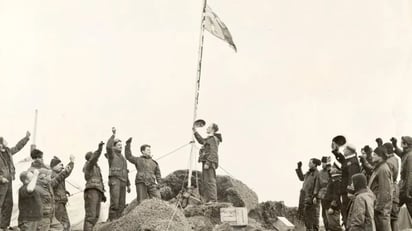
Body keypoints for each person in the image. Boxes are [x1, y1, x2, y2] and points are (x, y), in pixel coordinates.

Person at [29, 149, 72, 231]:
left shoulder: (43, 170)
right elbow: (53, 182)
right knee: (56, 225)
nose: (42, 160)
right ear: (37, 158)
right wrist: (69, 165)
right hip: (50, 207)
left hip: (53, 206)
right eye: (41, 158)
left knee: (62, 225)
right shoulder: (35, 172)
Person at [0, 131, 30, 230]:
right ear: (0, 144)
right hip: (1, 183)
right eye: (4, 141)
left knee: (8, 204)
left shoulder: (8, 151)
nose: (6, 141)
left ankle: (3, 226)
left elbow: (18, 147)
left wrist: (26, 138)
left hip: (8, 182)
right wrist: (1, 178)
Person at [332, 142, 361, 227]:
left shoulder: (353, 162)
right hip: (345, 192)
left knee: (348, 215)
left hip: (348, 194)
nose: (343, 150)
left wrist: (350, 191)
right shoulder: (349, 160)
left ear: (349, 151)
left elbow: (352, 178)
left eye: (345, 149)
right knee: (345, 215)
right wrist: (335, 151)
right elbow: (342, 160)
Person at [125, 138, 162, 204]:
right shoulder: (138, 160)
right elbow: (128, 156)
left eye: (150, 150)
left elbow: (158, 174)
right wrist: (128, 144)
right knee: (142, 202)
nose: (149, 151)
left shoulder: (154, 163)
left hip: (152, 184)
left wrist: (159, 183)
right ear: (143, 151)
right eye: (148, 150)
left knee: (158, 200)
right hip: (141, 182)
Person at [193, 123, 222, 204]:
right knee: (206, 181)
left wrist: (208, 163)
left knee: (210, 180)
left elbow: (214, 152)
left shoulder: (213, 139)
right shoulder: (209, 139)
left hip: (209, 162)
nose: (207, 128)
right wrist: (195, 132)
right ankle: (208, 200)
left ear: (212, 129)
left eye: (208, 127)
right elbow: (201, 141)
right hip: (206, 161)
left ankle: (213, 200)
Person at [105, 127, 131, 220]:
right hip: (115, 180)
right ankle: (111, 222)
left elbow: (126, 171)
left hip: (123, 181)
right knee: (114, 203)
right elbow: (108, 146)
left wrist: (128, 185)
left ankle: (118, 222)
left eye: (121, 145)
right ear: (114, 146)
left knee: (122, 204)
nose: (121, 146)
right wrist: (113, 135)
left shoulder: (123, 158)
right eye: (119, 145)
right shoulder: (111, 155)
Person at [83, 141, 106, 231]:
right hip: (91, 190)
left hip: (97, 191)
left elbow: (100, 180)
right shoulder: (89, 165)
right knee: (91, 216)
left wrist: (103, 194)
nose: (97, 159)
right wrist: (99, 149)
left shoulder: (97, 167)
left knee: (96, 215)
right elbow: (94, 158)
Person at [368, 146, 392, 231]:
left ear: (380, 156)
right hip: (377, 206)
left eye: (374, 154)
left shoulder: (383, 169)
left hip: (380, 209)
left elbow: (384, 191)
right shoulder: (379, 168)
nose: (372, 156)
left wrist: (378, 207)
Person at [50, 155, 75, 231]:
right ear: (53, 166)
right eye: (60, 165)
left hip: (60, 202)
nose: (62, 167)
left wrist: (64, 191)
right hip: (57, 203)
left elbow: (63, 176)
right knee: (59, 224)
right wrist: (71, 162)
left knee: (65, 224)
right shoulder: (52, 175)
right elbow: (54, 183)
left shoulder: (57, 175)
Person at [296, 158, 321, 231]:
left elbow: (317, 186)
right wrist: (299, 168)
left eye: (310, 163)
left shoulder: (317, 174)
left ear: (315, 164)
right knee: (307, 219)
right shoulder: (308, 173)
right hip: (305, 198)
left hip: (312, 200)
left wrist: (314, 197)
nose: (308, 164)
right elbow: (301, 178)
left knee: (314, 219)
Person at [384, 142, 400, 231]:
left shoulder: (389, 162)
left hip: (391, 189)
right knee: (394, 217)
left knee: (392, 217)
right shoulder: (395, 159)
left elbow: (389, 177)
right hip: (395, 188)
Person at [324, 163, 343, 231]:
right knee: (332, 227)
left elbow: (336, 195)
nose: (330, 169)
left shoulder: (337, 181)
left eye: (332, 167)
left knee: (335, 227)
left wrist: (332, 207)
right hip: (329, 206)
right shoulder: (333, 179)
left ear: (335, 170)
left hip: (332, 208)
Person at [314, 156, 331, 231]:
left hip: (330, 196)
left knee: (329, 215)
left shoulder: (331, 171)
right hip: (322, 196)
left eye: (324, 162)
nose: (323, 164)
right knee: (324, 215)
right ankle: (327, 228)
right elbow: (317, 185)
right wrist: (315, 195)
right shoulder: (320, 173)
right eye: (322, 162)